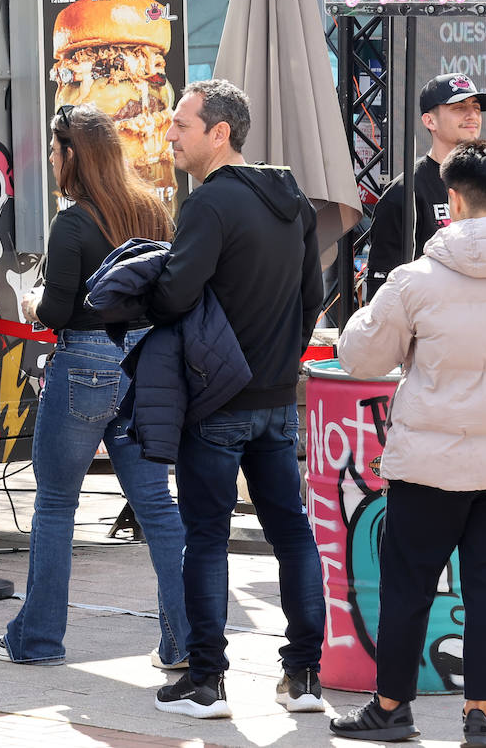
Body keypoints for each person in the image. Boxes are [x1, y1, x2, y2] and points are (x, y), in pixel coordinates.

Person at [331, 140, 486, 748]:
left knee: (408, 584)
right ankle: (481, 715)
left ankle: (391, 709)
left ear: (453, 202)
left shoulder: (416, 279)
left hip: (429, 466)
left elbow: (361, 356)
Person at [146, 79, 326, 719]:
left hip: (218, 402)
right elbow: (314, 298)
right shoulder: (294, 200)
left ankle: (205, 682)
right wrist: (282, 359)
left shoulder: (209, 204)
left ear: (218, 133)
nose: (171, 134)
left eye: (182, 125)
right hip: (277, 399)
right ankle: (304, 679)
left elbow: (173, 295)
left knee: (207, 538)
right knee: (292, 534)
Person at [0, 103, 189, 668]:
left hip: (86, 364)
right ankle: (184, 641)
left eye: (55, 152)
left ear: (73, 155)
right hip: (145, 364)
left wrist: (30, 301)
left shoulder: (74, 222)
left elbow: (54, 310)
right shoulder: (151, 210)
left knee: (55, 506)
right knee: (156, 505)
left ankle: (38, 640)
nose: (52, 161)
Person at [365, 72, 486, 299]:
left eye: (476, 107)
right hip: (430, 328)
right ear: (429, 121)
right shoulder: (404, 192)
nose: (472, 114)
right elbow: (383, 292)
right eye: (458, 107)